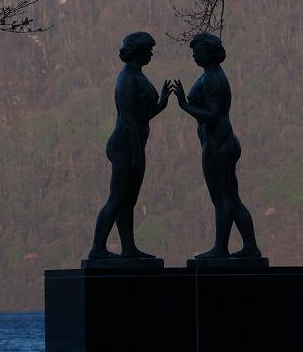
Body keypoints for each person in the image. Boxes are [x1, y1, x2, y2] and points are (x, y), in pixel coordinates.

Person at [172, 33, 261, 259]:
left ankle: (221, 248)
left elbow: (212, 114)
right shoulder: (209, 75)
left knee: (222, 199)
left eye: (198, 51)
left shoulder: (213, 79)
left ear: (209, 53)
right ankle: (250, 246)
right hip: (218, 143)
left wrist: (183, 105)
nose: (194, 55)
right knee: (230, 198)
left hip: (219, 144)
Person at [89, 32, 172, 260]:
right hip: (125, 146)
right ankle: (98, 249)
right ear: (138, 51)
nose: (151, 54)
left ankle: (128, 248)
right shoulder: (127, 78)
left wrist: (162, 104)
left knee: (128, 201)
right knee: (117, 198)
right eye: (149, 50)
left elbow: (141, 117)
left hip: (134, 145)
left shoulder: (137, 76)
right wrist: (135, 152)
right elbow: (126, 119)